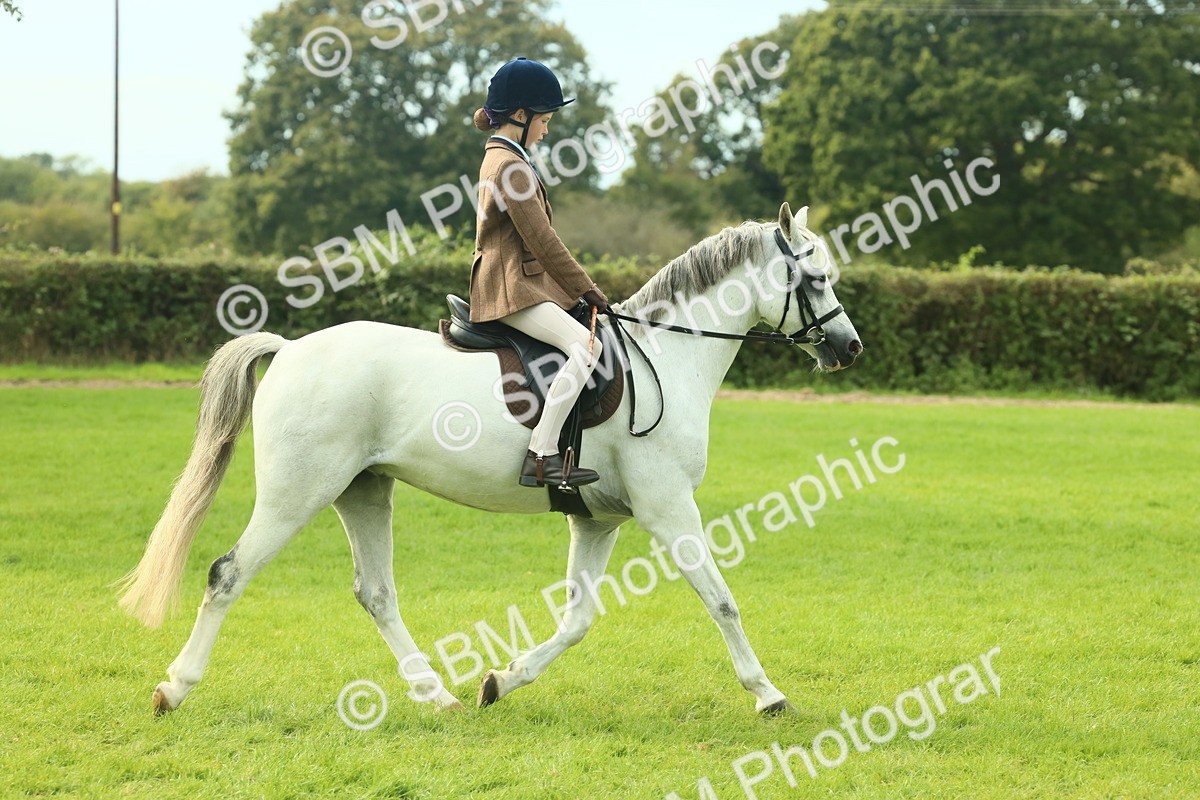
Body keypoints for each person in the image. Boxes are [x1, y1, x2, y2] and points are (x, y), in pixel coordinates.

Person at [468, 57, 610, 489]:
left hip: (519, 283)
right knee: (586, 350)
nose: (547, 130)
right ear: (520, 115)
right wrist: (588, 290)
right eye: (544, 120)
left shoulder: (504, 156)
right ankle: (542, 455)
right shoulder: (511, 166)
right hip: (509, 288)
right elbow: (543, 241)